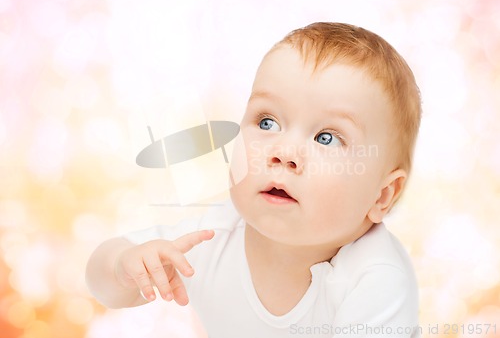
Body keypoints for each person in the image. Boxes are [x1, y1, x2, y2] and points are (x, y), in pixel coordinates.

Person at [86, 22, 422, 337]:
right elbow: (104, 285)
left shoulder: (376, 279)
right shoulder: (213, 237)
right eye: (267, 122)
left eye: (326, 138)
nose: (284, 151)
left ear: (382, 196)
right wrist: (122, 268)